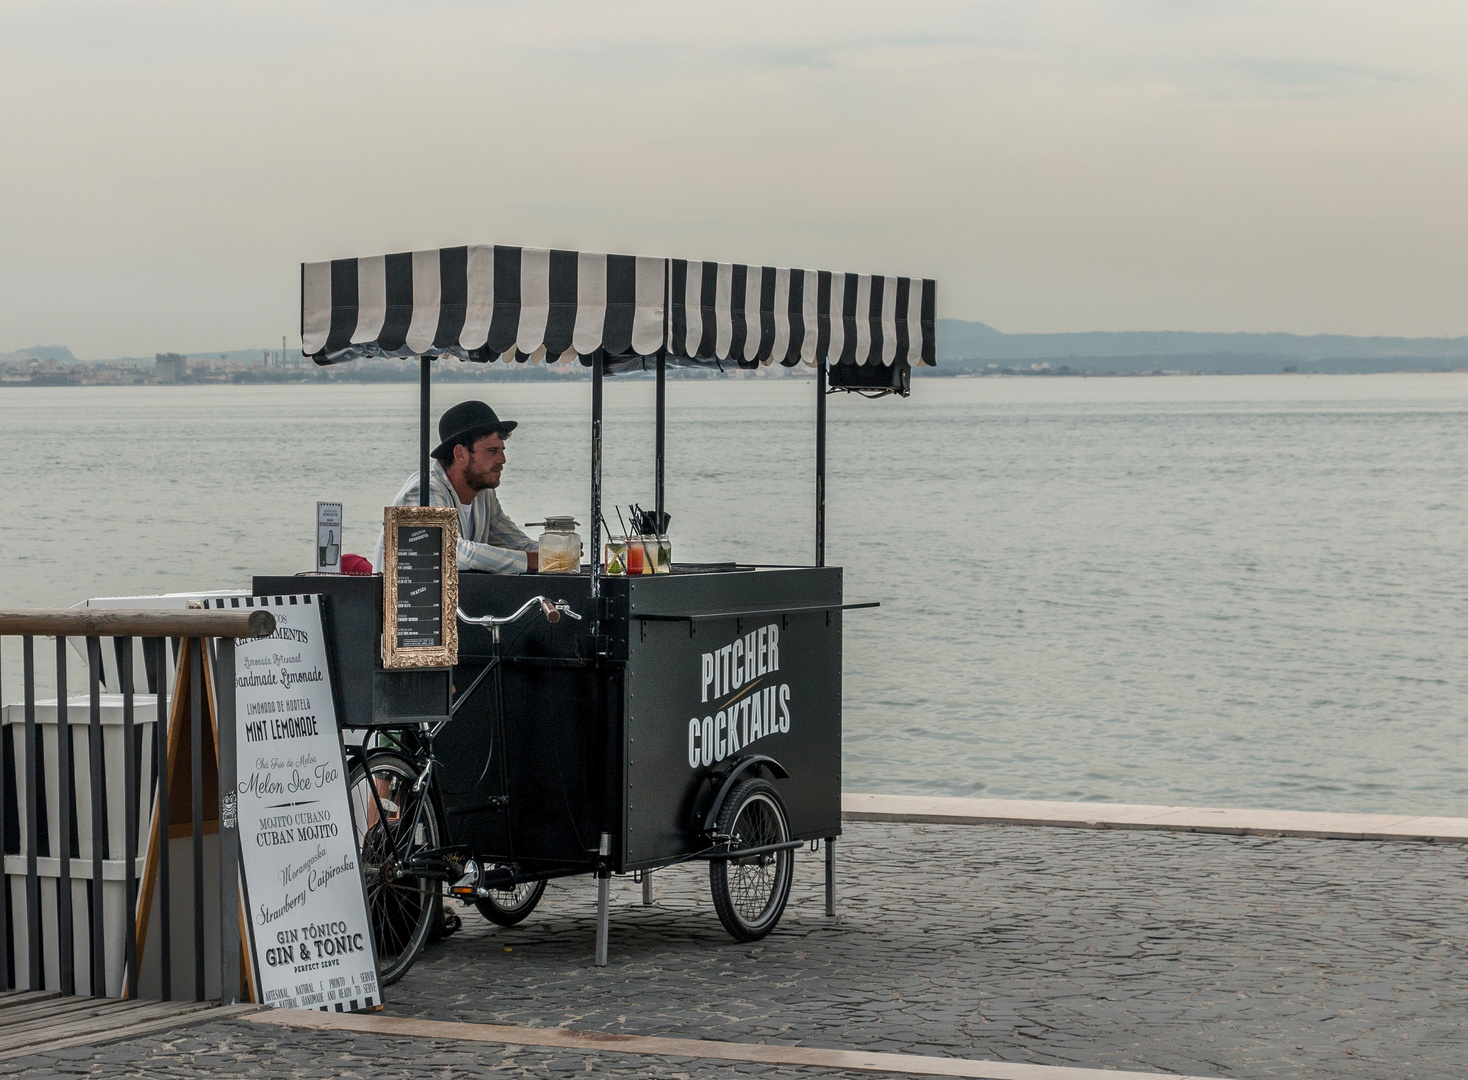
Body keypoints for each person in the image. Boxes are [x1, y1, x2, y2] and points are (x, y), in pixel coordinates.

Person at [373, 400, 539, 573]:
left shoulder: (485, 496)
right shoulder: (423, 491)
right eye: (492, 451)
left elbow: (517, 543)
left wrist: (559, 556)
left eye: (502, 450)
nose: (502, 459)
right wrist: (529, 561)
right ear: (460, 454)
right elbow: (451, 552)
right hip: (403, 599)